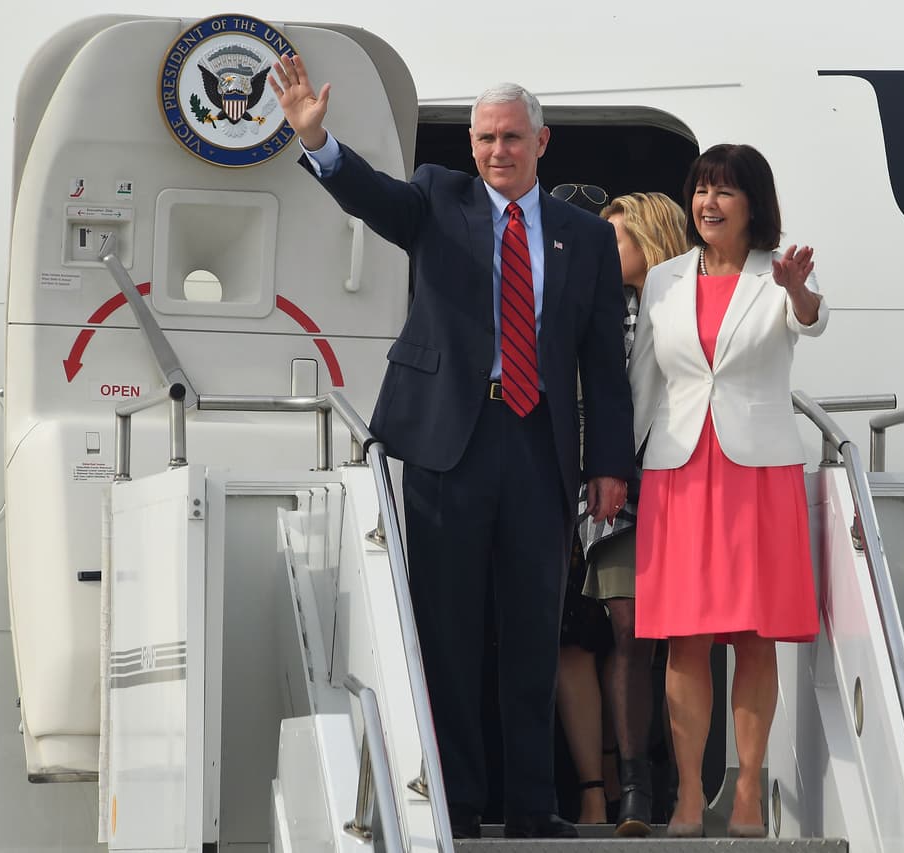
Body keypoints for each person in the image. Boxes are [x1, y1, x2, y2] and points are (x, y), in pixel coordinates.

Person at [269, 59, 635, 840]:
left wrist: (609, 463)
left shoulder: (585, 238)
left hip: (538, 445)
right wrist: (315, 137)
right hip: (448, 443)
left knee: (536, 629)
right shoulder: (439, 196)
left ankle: (533, 804)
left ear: (542, 140)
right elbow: (373, 197)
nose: (497, 151)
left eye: (510, 137)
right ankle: (459, 796)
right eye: (484, 138)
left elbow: (604, 361)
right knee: (449, 627)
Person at [626, 144, 828, 838]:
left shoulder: (776, 276)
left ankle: (746, 792)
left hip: (754, 470)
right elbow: (644, 382)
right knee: (683, 639)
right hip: (678, 469)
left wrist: (797, 289)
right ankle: (688, 795)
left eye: (725, 193)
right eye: (701, 190)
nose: (709, 204)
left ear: (753, 205)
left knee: (752, 636)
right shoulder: (663, 281)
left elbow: (811, 320)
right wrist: (614, 467)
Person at [578, 192, 688, 837]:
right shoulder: (599, 309)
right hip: (615, 490)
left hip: (688, 483)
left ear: (650, 239)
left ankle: (685, 785)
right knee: (629, 631)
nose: (600, 249)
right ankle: (636, 791)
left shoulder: (689, 305)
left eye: (614, 238)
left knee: (687, 638)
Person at [547, 181, 618, 827]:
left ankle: (622, 785)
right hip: (552, 485)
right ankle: (594, 789)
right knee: (568, 640)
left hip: (613, 489)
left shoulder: (632, 306)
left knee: (620, 642)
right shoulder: (531, 280)